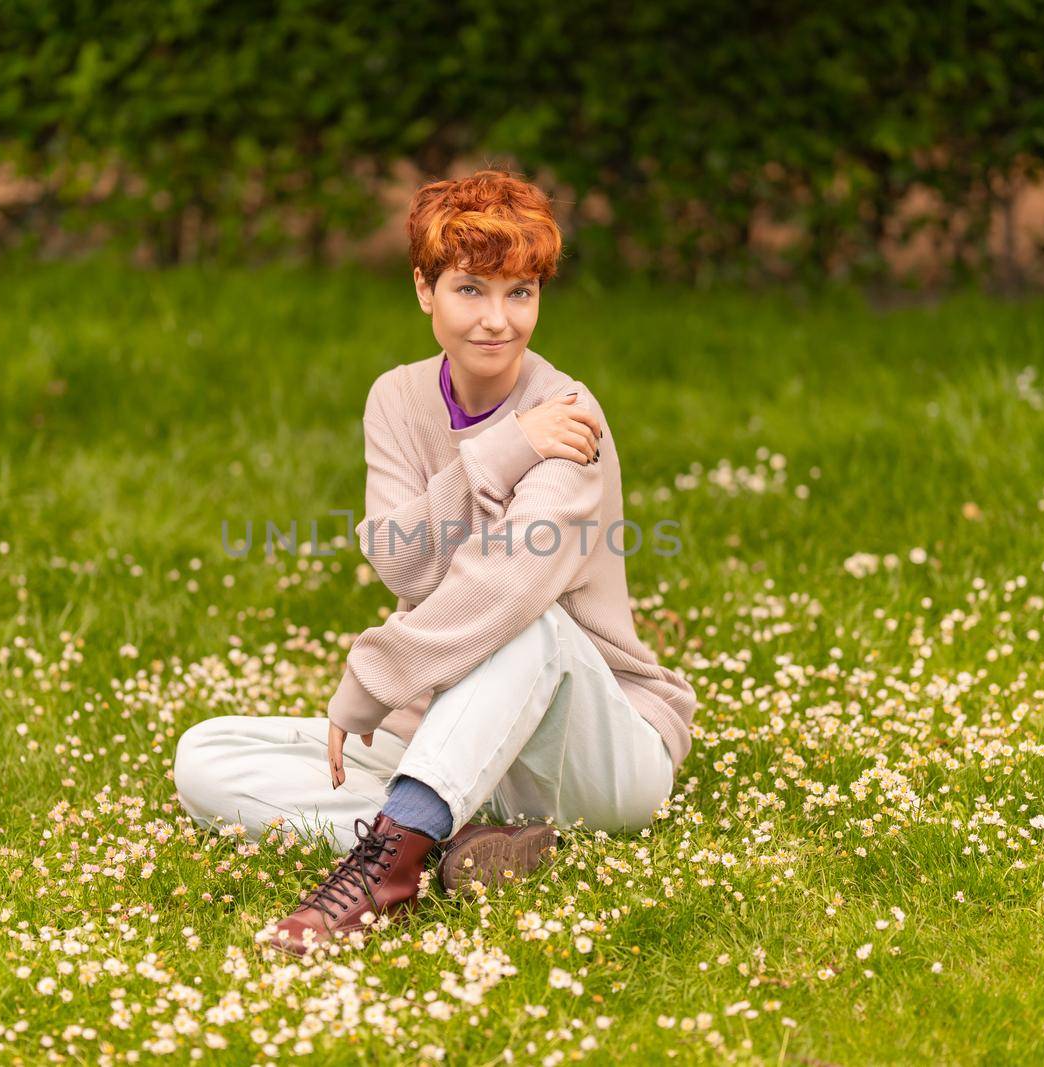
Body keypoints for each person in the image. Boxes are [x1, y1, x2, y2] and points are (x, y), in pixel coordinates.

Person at [172, 168, 698, 958]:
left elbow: (506, 588)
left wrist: (372, 678)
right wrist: (499, 452)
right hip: (455, 733)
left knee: (531, 623)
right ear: (425, 290)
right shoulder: (397, 398)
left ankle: (381, 872)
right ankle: (453, 844)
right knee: (204, 755)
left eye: (521, 294)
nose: (497, 320)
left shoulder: (571, 418)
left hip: (593, 752)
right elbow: (399, 560)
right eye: (470, 290)